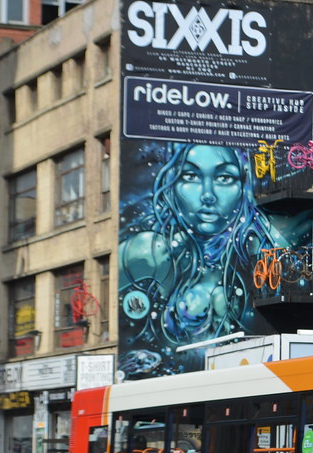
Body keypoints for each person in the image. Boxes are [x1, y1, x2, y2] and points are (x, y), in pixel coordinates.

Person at [118, 143, 281, 376]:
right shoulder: (149, 251)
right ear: (172, 184)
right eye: (191, 176)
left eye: (224, 178)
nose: (207, 195)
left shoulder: (261, 253)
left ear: (243, 186)